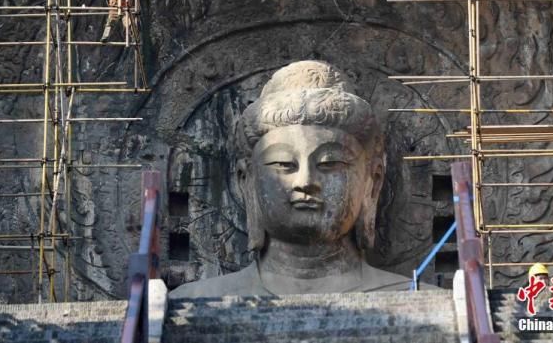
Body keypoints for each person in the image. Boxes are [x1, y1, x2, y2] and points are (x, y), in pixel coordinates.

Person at [170, 61, 413, 297]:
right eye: (283, 164)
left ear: (372, 183)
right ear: (247, 181)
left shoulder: (415, 299)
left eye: (329, 163)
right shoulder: (193, 302)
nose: (305, 181)